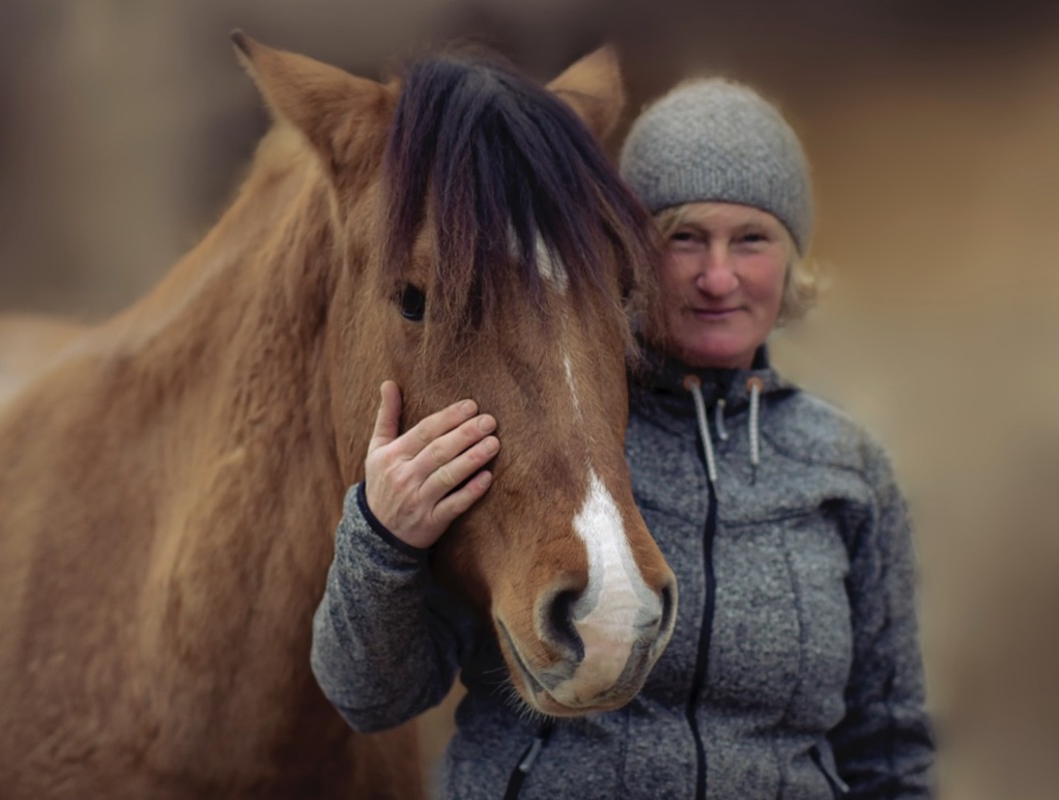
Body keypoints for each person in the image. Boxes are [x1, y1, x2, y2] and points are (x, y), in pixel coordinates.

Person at [311, 77, 935, 798]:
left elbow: (887, 747)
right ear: (621, 256)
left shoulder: (846, 467)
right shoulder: (544, 420)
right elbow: (371, 696)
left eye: (752, 239)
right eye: (685, 238)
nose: (718, 276)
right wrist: (380, 541)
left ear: (790, 259)